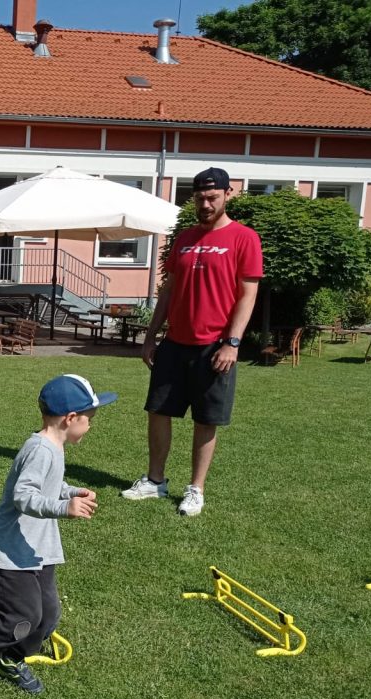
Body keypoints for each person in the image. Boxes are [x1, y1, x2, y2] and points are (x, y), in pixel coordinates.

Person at [0, 374, 117, 699]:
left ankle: (10, 658)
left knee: (47, 614)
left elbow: (46, 486)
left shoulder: (54, 445)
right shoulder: (40, 450)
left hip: (38, 551)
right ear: (70, 419)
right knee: (21, 617)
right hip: (9, 553)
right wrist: (65, 507)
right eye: (89, 420)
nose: (91, 426)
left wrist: (70, 491)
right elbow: (24, 496)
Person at [122, 167, 263, 517]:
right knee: (158, 411)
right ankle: (155, 481)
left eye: (212, 197)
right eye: (200, 197)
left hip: (214, 345)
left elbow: (248, 296)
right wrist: (152, 334)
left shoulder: (244, 238)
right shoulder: (184, 238)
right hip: (174, 342)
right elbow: (168, 289)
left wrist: (233, 342)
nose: (205, 203)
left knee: (206, 418)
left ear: (228, 194)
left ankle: (195, 489)